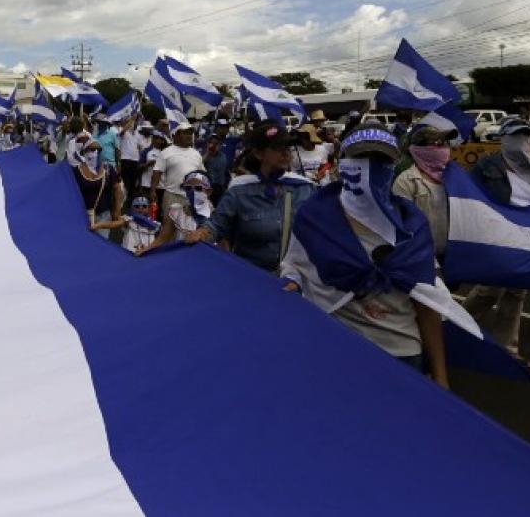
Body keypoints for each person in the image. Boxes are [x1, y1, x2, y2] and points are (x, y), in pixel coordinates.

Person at [279, 127, 449, 387]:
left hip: (401, 352)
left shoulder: (411, 224)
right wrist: (291, 281)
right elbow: (295, 267)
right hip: (335, 348)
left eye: (380, 160)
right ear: (340, 163)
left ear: (393, 165)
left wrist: (440, 376)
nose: (369, 168)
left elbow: (427, 302)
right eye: (360, 159)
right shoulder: (315, 218)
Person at [461, 118, 530, 356]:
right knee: (489, 289)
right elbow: (470, 193)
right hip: (497, 235)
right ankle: (459, 328)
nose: (521, 141)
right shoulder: (487, 165)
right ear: (504, 138)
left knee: (516, 293)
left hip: (526, 237)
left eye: (525, 136)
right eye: (515, 136)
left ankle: (506, 348)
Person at [183, 121, 315, 272]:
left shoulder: (305, 189)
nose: (286, 153)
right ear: (259, 154)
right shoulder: (239, 191)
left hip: (294, 283)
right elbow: (217, 225)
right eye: (278, 148)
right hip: (251, 278)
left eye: (288, 148)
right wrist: (202, 233)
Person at [391, 125, 455, 258]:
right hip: (421, 256)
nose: (443, 148)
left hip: (454, 256)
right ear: (419, 150)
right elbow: (401, 224)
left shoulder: (455, 176)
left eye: (445, 143)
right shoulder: (406, 182)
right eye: (437, 144)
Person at [137, 171, 214, 255]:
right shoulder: (177, 212)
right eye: (188, 188)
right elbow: (163, 238)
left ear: (208, 191)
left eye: (198, 188)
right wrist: (147, 250)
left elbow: (223, 247)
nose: (193, 192)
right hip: (180, 258)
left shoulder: (216, 216)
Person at [149, 122, 203, 214]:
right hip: (172, 195)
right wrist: (153, 190)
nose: (189, 136)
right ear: (176, 135)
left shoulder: (196, 154)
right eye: (185, 133)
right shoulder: (166, 152)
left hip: (191, 197)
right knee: (169, 224)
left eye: (190, 133)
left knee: (189, 226)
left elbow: (201, 174)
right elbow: (157, 172)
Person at [75, 140, 123, 238]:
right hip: (82, 215)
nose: (95, 152)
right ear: (84, 152)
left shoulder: (108, 169)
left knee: (102, 242)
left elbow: (117, 189)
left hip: (103, 214)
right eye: (92, 149)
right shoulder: (76, 171)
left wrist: (117, 210)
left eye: (98, 150)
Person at [91, 196, 159, 253]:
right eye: (137, 206)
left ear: (149, 208)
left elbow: (163, 235)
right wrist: (98, 225)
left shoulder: (155, 223)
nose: (140, 209)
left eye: (144, 206)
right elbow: (114, 224)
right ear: (132, 208)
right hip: (129, 252)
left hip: (147, 253)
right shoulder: (128, 220)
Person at [118, 118, 149, 199]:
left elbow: (142, 148)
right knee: (125, 183)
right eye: (131, 124)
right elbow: (123, 131)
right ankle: (122, 201)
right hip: (124, 160)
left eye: (134, 124)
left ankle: (129, 203)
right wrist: (132, 119)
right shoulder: (123, 131)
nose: (132, 125)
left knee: (132, 184)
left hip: (135, 161)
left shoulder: (137, 135)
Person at [202, 133, 229, 204]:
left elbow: (223, 171)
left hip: (220, 188)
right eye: (211, 143)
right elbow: (199, 165)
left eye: (216, 143)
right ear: (207, 143)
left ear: (220, 145)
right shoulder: (203, 155)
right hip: (207, 189)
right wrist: (208, 152)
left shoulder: (223, 156)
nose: (213, 145)